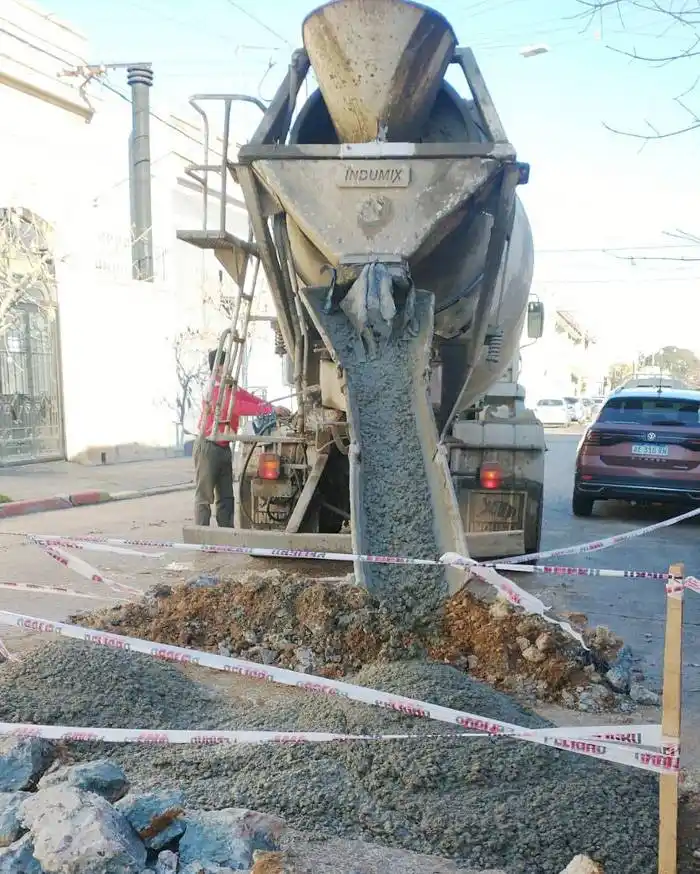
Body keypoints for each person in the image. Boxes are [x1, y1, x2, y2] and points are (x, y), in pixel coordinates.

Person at [194, 349, 276, 527]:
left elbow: (247, 398)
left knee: (226, 496)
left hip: (224, 446)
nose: (230, 368)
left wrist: (270, 406)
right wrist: (267, 410)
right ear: (218, 367)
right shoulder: (213, 389)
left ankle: (226, 536)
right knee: (205, 496)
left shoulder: (230, 386)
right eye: (227, 364)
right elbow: (236, 407)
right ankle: (203, 537)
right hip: (209, 446)